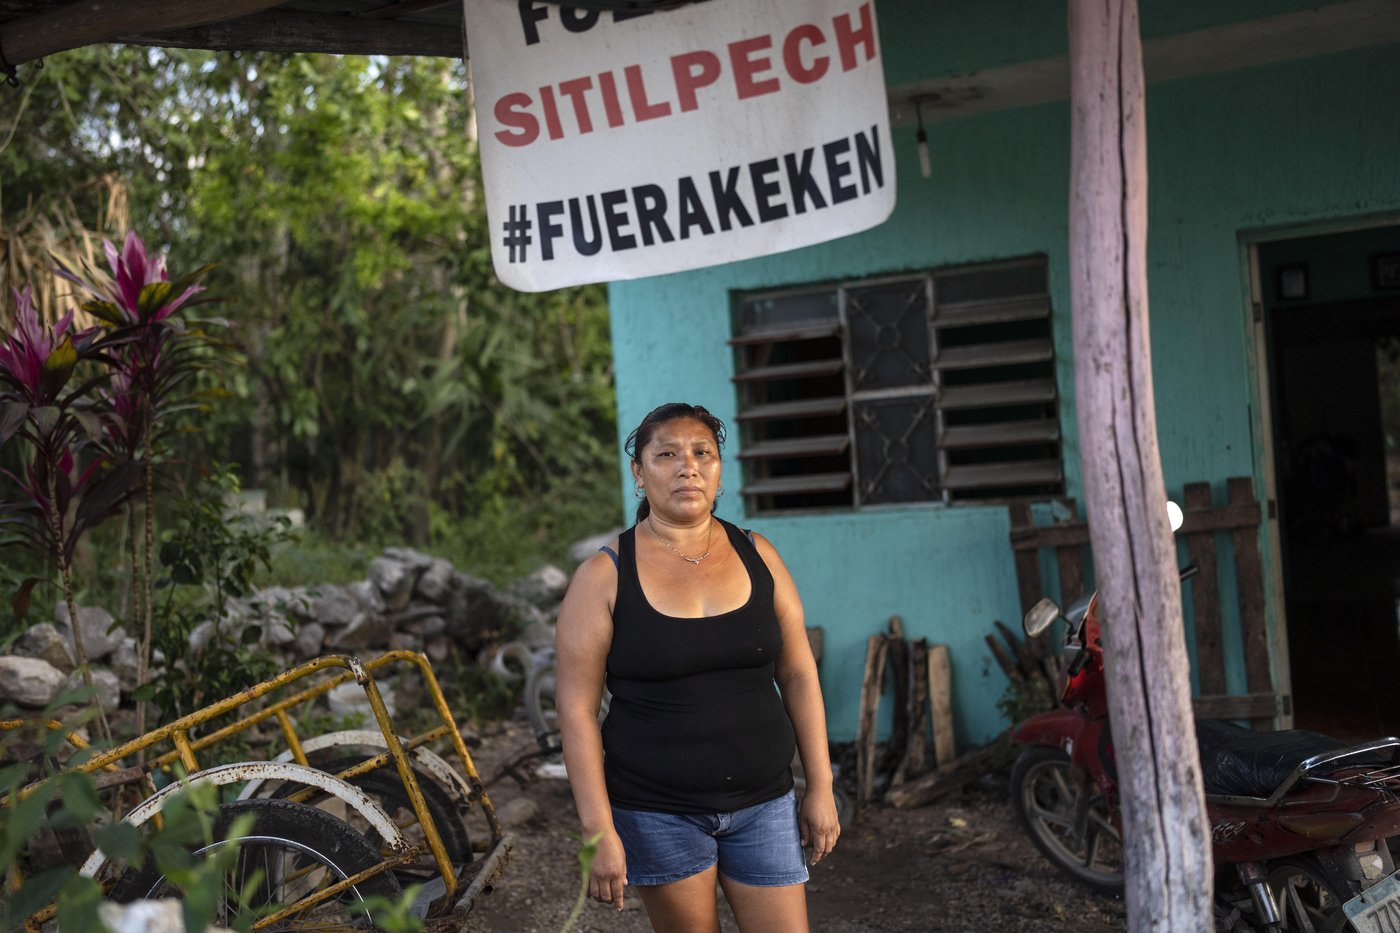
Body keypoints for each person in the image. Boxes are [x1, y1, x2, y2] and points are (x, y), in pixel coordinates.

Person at [555, 402, 840, 932]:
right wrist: (599, 832)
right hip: (657, 811)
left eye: (701, 453)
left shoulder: (760, 554)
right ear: (639, 474)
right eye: (666, 454)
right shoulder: (603, 576)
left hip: (765, 802)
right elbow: (575, 709)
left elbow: (799, 674)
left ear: (719, 471)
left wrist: (820, 786)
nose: (688, 466)